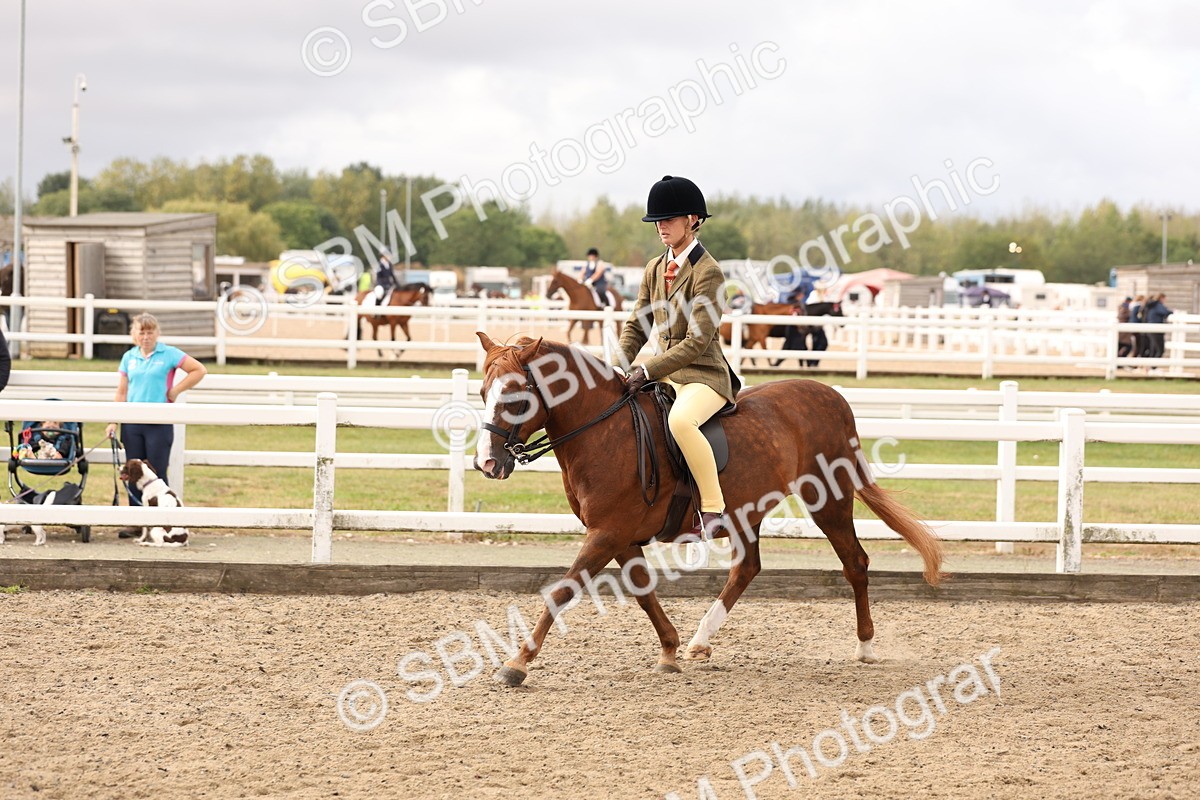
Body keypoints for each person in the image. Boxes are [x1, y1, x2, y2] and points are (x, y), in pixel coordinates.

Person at [616, 175, 742, 540]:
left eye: (669, 219)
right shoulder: (655, 268)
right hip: (664, 374)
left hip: (703, 376)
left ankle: (713, 508)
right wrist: (615, 365)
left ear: (692, 220)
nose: (661, 226)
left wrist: (646, 368)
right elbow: (637, 326)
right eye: (657, 220)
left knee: (681, 422)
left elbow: (697, 342)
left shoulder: (709, 272)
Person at [105, 313, 207, 537]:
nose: (146, 336)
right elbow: (122, 391)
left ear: (157, 333)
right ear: (134, 334)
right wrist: (113, 419)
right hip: (133, 423)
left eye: (150, 332)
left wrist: (175, 391)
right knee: (133, 473)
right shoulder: (129, 357)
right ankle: (136, 521)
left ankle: (162, 520)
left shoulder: (168, 353)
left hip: (159, 423)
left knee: (157, 473)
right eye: (141, 332)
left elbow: (198, 369)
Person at [1144, 293, 1173, 359]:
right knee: (1160, 349)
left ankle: (1150, 366)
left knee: (1153, 349)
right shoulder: (1158, 305)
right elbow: (1165, 312)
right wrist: (1172, 312)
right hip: (1156, 329)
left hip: (1151, 328)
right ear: (1161, 298)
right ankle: (1153, 367)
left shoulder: (1152, 305)